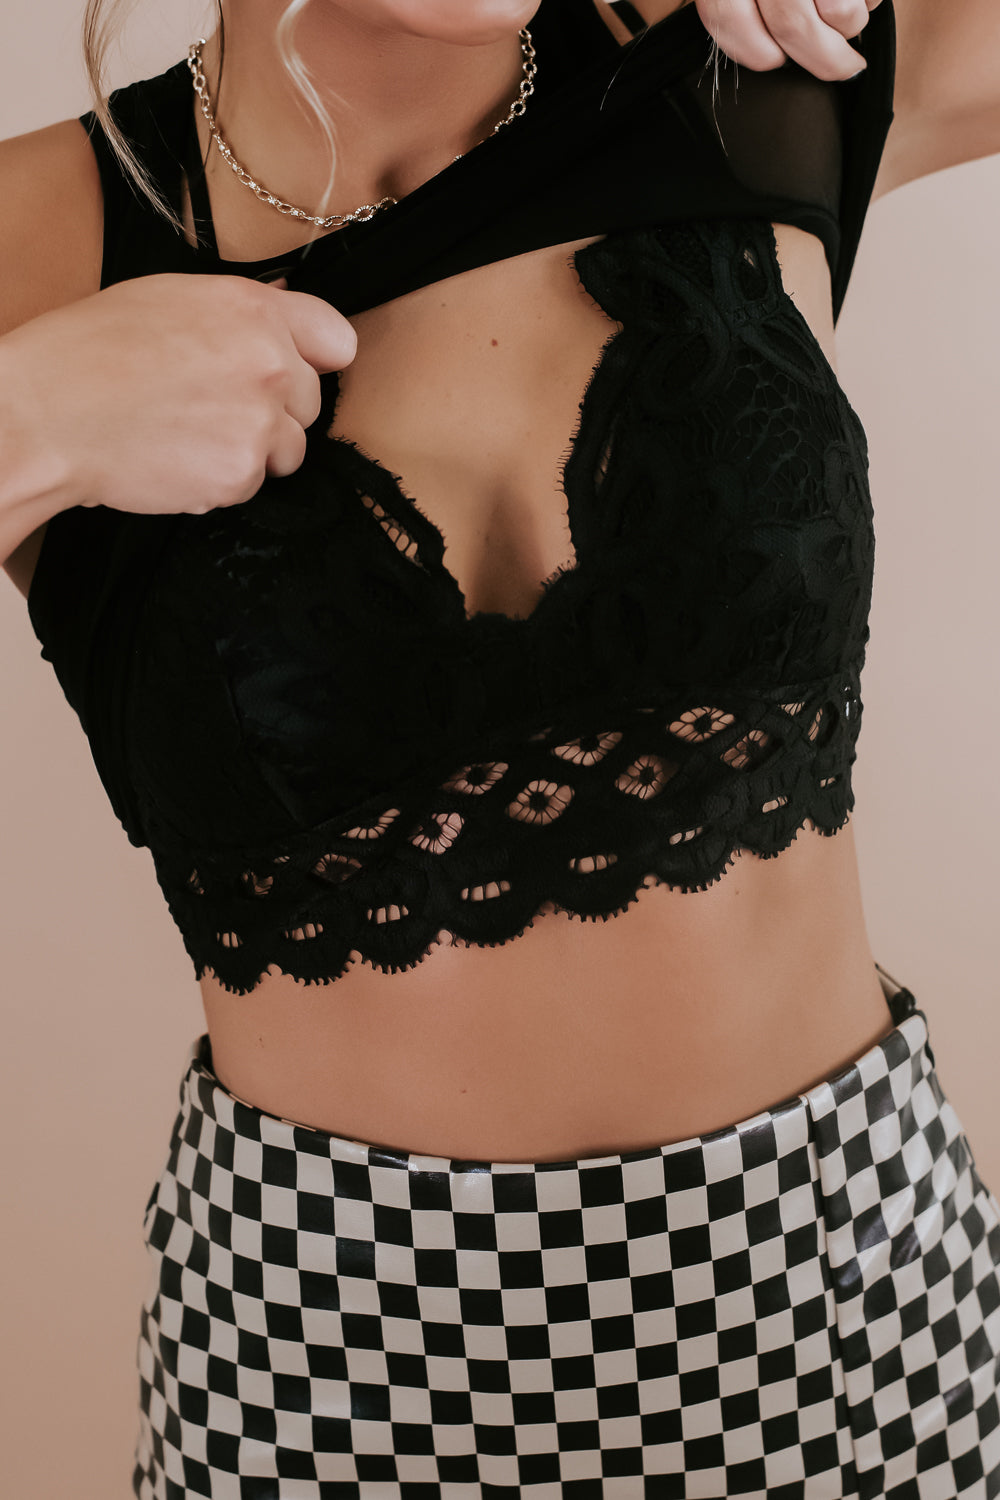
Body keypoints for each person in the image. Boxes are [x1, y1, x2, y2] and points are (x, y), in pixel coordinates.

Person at [1, 0, 998, 1494]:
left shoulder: (755, 68)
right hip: (329, 1379)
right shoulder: (38, 239)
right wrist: (26, 415)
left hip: (847, 1318)